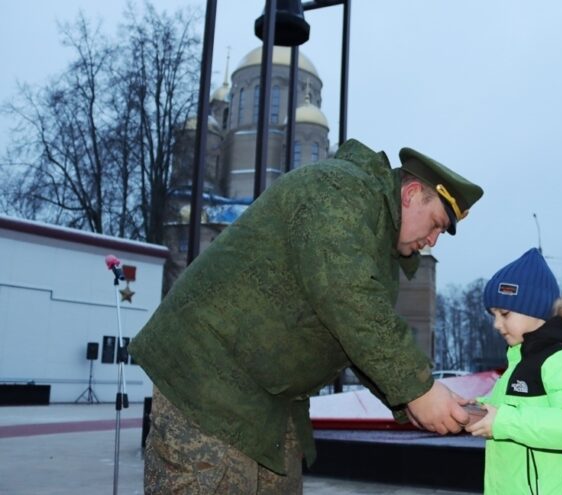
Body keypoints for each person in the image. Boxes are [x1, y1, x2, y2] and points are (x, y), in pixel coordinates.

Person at [129, 139, 483, 494]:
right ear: (410, 194)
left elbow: (357, 338)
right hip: (207, 381)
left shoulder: (376, 246)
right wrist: (419, 388)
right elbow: (350, 298)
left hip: (268, 401)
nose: (434, 241)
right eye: (436, 223)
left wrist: (419, 397)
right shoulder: (339, 190)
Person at [467, 248, 562, 494]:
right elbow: (516, 409)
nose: (497, 324)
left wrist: (503, 421)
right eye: (493, 315)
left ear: (535, 308)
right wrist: (476, 409)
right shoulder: (520, 360)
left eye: (504, 314)